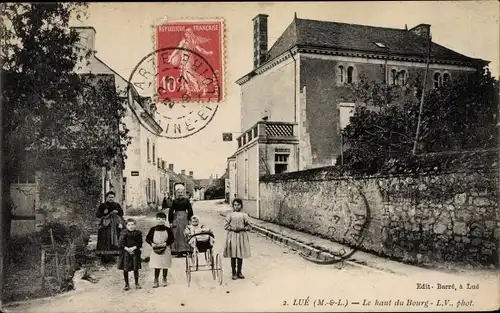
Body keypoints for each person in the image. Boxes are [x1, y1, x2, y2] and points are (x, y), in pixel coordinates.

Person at [223, 198, 251, 280]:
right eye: (235, 205)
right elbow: (226, 225)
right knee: (233, 254)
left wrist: (242, 228)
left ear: (241, 206)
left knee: (240, 254)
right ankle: (233, 272)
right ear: (233, 206)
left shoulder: (244, 215)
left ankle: (239, 272)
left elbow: (249, 226)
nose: (237, 206)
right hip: (233, 236)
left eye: (238, 205)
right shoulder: (230, 215)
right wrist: (233, 228)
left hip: (241, 236)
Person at [145, 212, 174, 288]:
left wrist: (166, 243)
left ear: (165, 220)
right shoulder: (153, 229)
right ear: (156, 220)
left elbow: (172, 239)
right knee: (156, 265)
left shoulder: (168, 229)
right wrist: (152, 244)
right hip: (156, 249)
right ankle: (156, 280)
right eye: (159, 219)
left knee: (165, 264)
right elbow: (147, 238)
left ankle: (164, 278)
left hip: (166, 248)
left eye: (163, 219)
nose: (161, 221)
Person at [96, 191, 124, 264]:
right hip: (105, 226)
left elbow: (121, 213)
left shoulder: (117, 205)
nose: (111, 198)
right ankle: (105, 257)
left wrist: (117, 212)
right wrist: (104, 213)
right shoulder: (102, 205)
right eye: (109, 197)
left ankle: (114, 256)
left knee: (115, 239)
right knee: (105, 240)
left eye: (112, 197)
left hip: (115, 226)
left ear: (114, 198)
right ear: (106, 197)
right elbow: (98, 215)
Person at [117, 218, 143, 291]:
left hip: (135, 252)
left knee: (135, 268)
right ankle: (126, 284)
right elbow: (121, 243)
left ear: (135, 225)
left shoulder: (138, 233)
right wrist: (127, 249)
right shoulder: (123, 233)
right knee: (125, 269)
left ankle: (137, 283)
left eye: (132, 224)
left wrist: (133, 248)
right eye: (129, 225)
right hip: (125, 252)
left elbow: (140, 243)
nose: (131, 226)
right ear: (126, 226)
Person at [168, 185, 193, 257]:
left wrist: (190, 219)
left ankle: (186, 250)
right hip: (176, 218)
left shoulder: (186, 201)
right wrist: (170, 221)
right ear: (176, 193)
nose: (180, 194)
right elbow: (171, 211)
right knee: (176, 233)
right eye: (178, 192)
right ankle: (177, 251)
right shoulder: (174, 201)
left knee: (185, 233)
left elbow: (190, 210)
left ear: (184, 193)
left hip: (184, 218)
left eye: (181, 192)